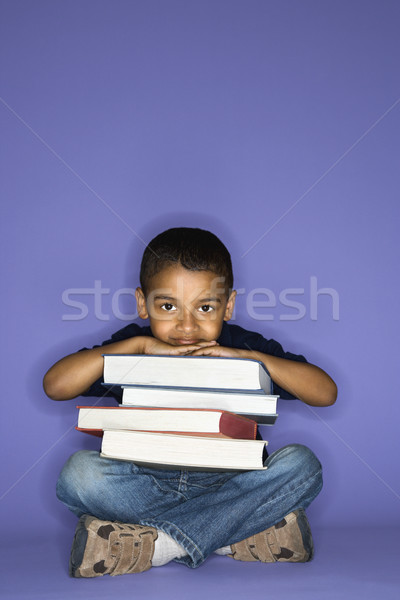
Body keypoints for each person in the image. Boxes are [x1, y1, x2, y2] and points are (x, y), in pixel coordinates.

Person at [43, 227, 337, 578]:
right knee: (79, 475)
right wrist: (136, 349)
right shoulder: (133, 344)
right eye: (168, 306)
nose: (186, 325)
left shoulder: (242, 346)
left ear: (227, 306)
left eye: (205, 307)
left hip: (231, 483)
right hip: (145, 482)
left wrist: (248, 357)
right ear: (142, 303)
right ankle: (235, 536)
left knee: (303, 465)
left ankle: (159, 545)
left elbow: (325, 393)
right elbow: (55, 385)